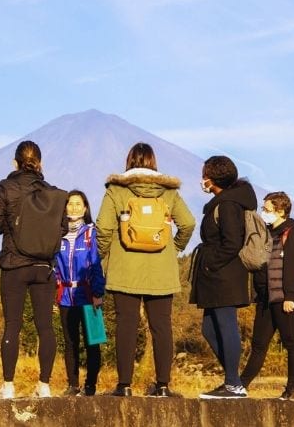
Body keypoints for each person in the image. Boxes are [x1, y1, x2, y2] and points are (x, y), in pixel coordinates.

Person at [95, 142, 195, 397]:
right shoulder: (169, 192)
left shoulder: (116, 190)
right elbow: (188, 223)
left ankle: (124, 386)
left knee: (126, 325)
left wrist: (103, 255)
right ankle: (163, 386)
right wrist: (173, 248)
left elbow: (103, 228)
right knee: (161, 326)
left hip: (124, 267)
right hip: (161, 270)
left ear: (129, 161)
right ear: (153, 162)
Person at [0, 140, 63, 399]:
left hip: (14, 264)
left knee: (12, 325)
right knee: (45, 326)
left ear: (15, 162)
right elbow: (61, 227)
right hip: (44, 267)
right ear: (40, 163)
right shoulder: (51, 192)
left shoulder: (6, 187)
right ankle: (44, 385)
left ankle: (8, 386)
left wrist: (12, 226)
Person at [190, 155, 255, 399]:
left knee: (226, 326)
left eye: (204, 175)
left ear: (213, 178)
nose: (202, 180)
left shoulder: (227, 205)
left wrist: (210, 264)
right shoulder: (223, 202)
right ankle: (233, 379)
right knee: (209, 329)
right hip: (216, 276)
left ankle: (233, 384)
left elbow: (232, 242)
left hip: (224, 275)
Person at [240, 191, 294, 400]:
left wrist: (290, 297)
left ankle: (292, 389)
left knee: (291, 343)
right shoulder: (267, 234)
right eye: (263, 209)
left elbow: (293, 267)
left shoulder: (292, 234)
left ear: (281, 211)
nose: (263, 213)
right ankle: (241, 386)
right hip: (266, 299)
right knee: (259, 345)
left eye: (267, 209)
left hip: (285, 299)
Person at [54, 190, 106, 397]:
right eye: (70, 203)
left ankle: (90, 385)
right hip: (65, 296)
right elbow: (53, 267)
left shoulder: (91, 233)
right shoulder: (57, 234)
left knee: (93, 341)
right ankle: (73, 384)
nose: (74, 207)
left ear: (85, 208)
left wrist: (98, 292)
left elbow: (96, 264)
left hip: (88, 294)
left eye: (78, 204)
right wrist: (54, 293)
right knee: (70, 342)